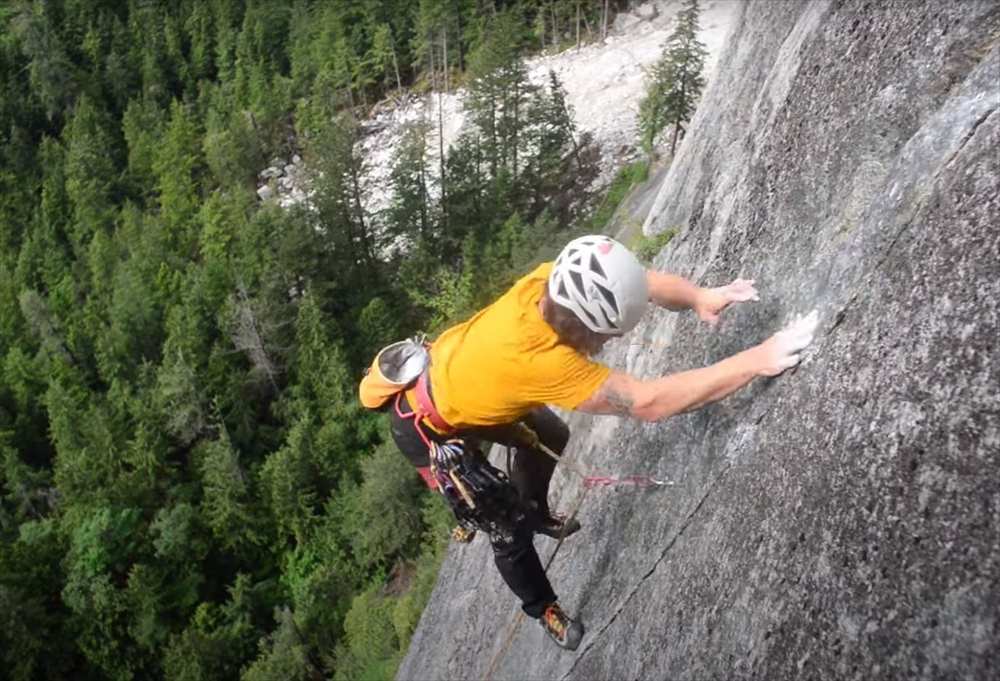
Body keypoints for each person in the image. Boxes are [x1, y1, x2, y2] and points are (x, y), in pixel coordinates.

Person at [382, 235, 817, 650]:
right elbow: (648, 402)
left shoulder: (555, 281)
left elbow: (639, 283)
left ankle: (537, 512)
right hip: (427, 426)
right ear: (586, 331)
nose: (612, 343)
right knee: (506, 530)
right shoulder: (546, 364)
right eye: (608, 336)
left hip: (470, 387)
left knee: (551, 433)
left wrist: (699, 296)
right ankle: (543, 608)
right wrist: (756, 360)